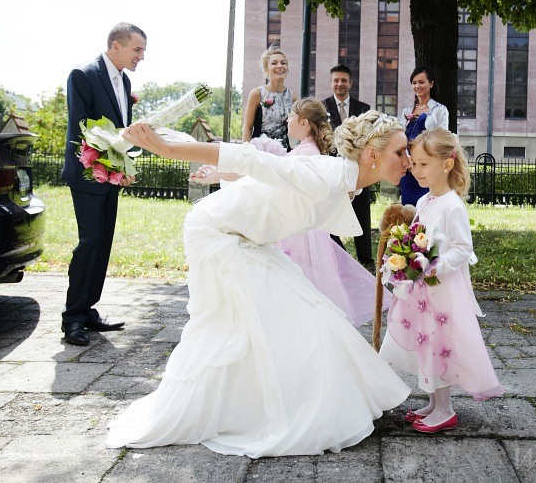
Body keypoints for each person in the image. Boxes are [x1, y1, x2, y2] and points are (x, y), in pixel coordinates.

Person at [108, 111, 411, 457]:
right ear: (372, 154)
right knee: (227, 327)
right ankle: (221, 410)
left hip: (253, 240)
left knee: (311, 315)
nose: (407, 159)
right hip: (217, 233)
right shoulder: (325, 175)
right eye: (400, 152)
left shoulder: (347, 181)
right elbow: (252, 159)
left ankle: (290, 402)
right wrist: (167, 149)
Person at [193, 98, 389, 327]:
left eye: (292, 116)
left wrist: (219, 175)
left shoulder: (306, 152)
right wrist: (218, 175)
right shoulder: (304, 149)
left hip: (296, 233)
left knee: (294, 286)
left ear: (304, 122)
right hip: (298, 228)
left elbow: (270, 180)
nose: (287, 119)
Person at [380, 128, 504, 434]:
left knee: (440, 343)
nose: (416, 170)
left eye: (424, 164)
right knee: (427, 342)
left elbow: (463, 249)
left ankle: (446, 409)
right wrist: (402, 255)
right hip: (421, 290)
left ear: (446, 164)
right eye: (415, 163)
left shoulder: (452, 205)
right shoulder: (424, 201)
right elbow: (416, 237)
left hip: (442, 290)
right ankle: (434, 403)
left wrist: (437, 265)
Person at [61, 22, 146, 346]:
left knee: (103, 243)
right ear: (116, 46)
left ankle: (88, 309)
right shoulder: (82, 75)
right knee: (90, 242)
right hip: (88, 174)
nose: (141, 57)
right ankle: (72, 319)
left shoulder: (124, 81)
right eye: (137, 49)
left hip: (112, 175)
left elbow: (119, 128)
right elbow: (82, 127)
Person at [323, 64, 374, 265]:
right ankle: (338, 256)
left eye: (344, 80)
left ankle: (365, 257)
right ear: (331, 83)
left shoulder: (364, 109)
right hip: (333, 168)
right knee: (331, 210)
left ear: (350, 83)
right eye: (336, 80)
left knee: (361, 211)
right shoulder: (322, 107)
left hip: (359, 167)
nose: (340, 84)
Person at [398, 66, 449, 206]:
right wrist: (407, 158)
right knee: (407, 208)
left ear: (431, 84)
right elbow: (399, 138)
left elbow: (441, 139)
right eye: (414, 83)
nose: (417, 86)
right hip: (408, 169)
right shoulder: (406, 111)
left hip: (427, 168)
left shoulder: (439, 110)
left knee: (428, 206)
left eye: (421, 82)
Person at [242, 45, 296, 149]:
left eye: (283, 63)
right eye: (274, 63)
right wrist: (246, 151)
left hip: (283, 152)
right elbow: (247, 128)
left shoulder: (292, 97)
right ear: (266, 69)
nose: (280, 66)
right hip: (260, 151)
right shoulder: (257, 93)